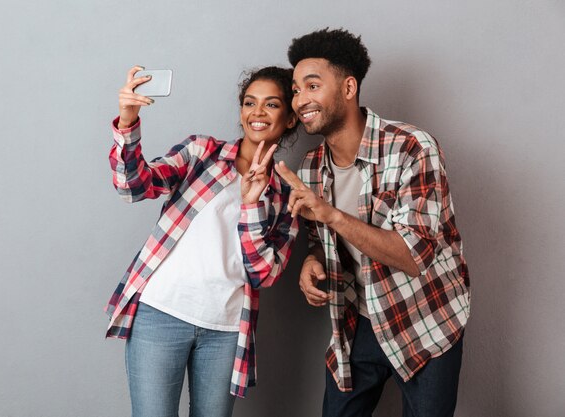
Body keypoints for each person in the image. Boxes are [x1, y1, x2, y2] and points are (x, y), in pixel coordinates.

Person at [274, 28, 470, 417]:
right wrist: (313, 260)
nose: (300, 100)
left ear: (349, 87)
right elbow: (321, 237)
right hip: (357, 322)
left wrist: (330, 213)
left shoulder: (413, 147)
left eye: (312, 85)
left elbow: (414, 257)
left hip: (424, 318)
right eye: (296, 89)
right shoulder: (313, 167)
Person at [104, 65, 299, 417]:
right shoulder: (200, 153)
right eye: (250, 102)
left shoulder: (286, 194)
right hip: (161, 312)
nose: (257, 112)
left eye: (271, 104)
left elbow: (263, 275)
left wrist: (252, 204)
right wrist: (128, 121)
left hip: (225, 330)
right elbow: (133, 186)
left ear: (289, 119)